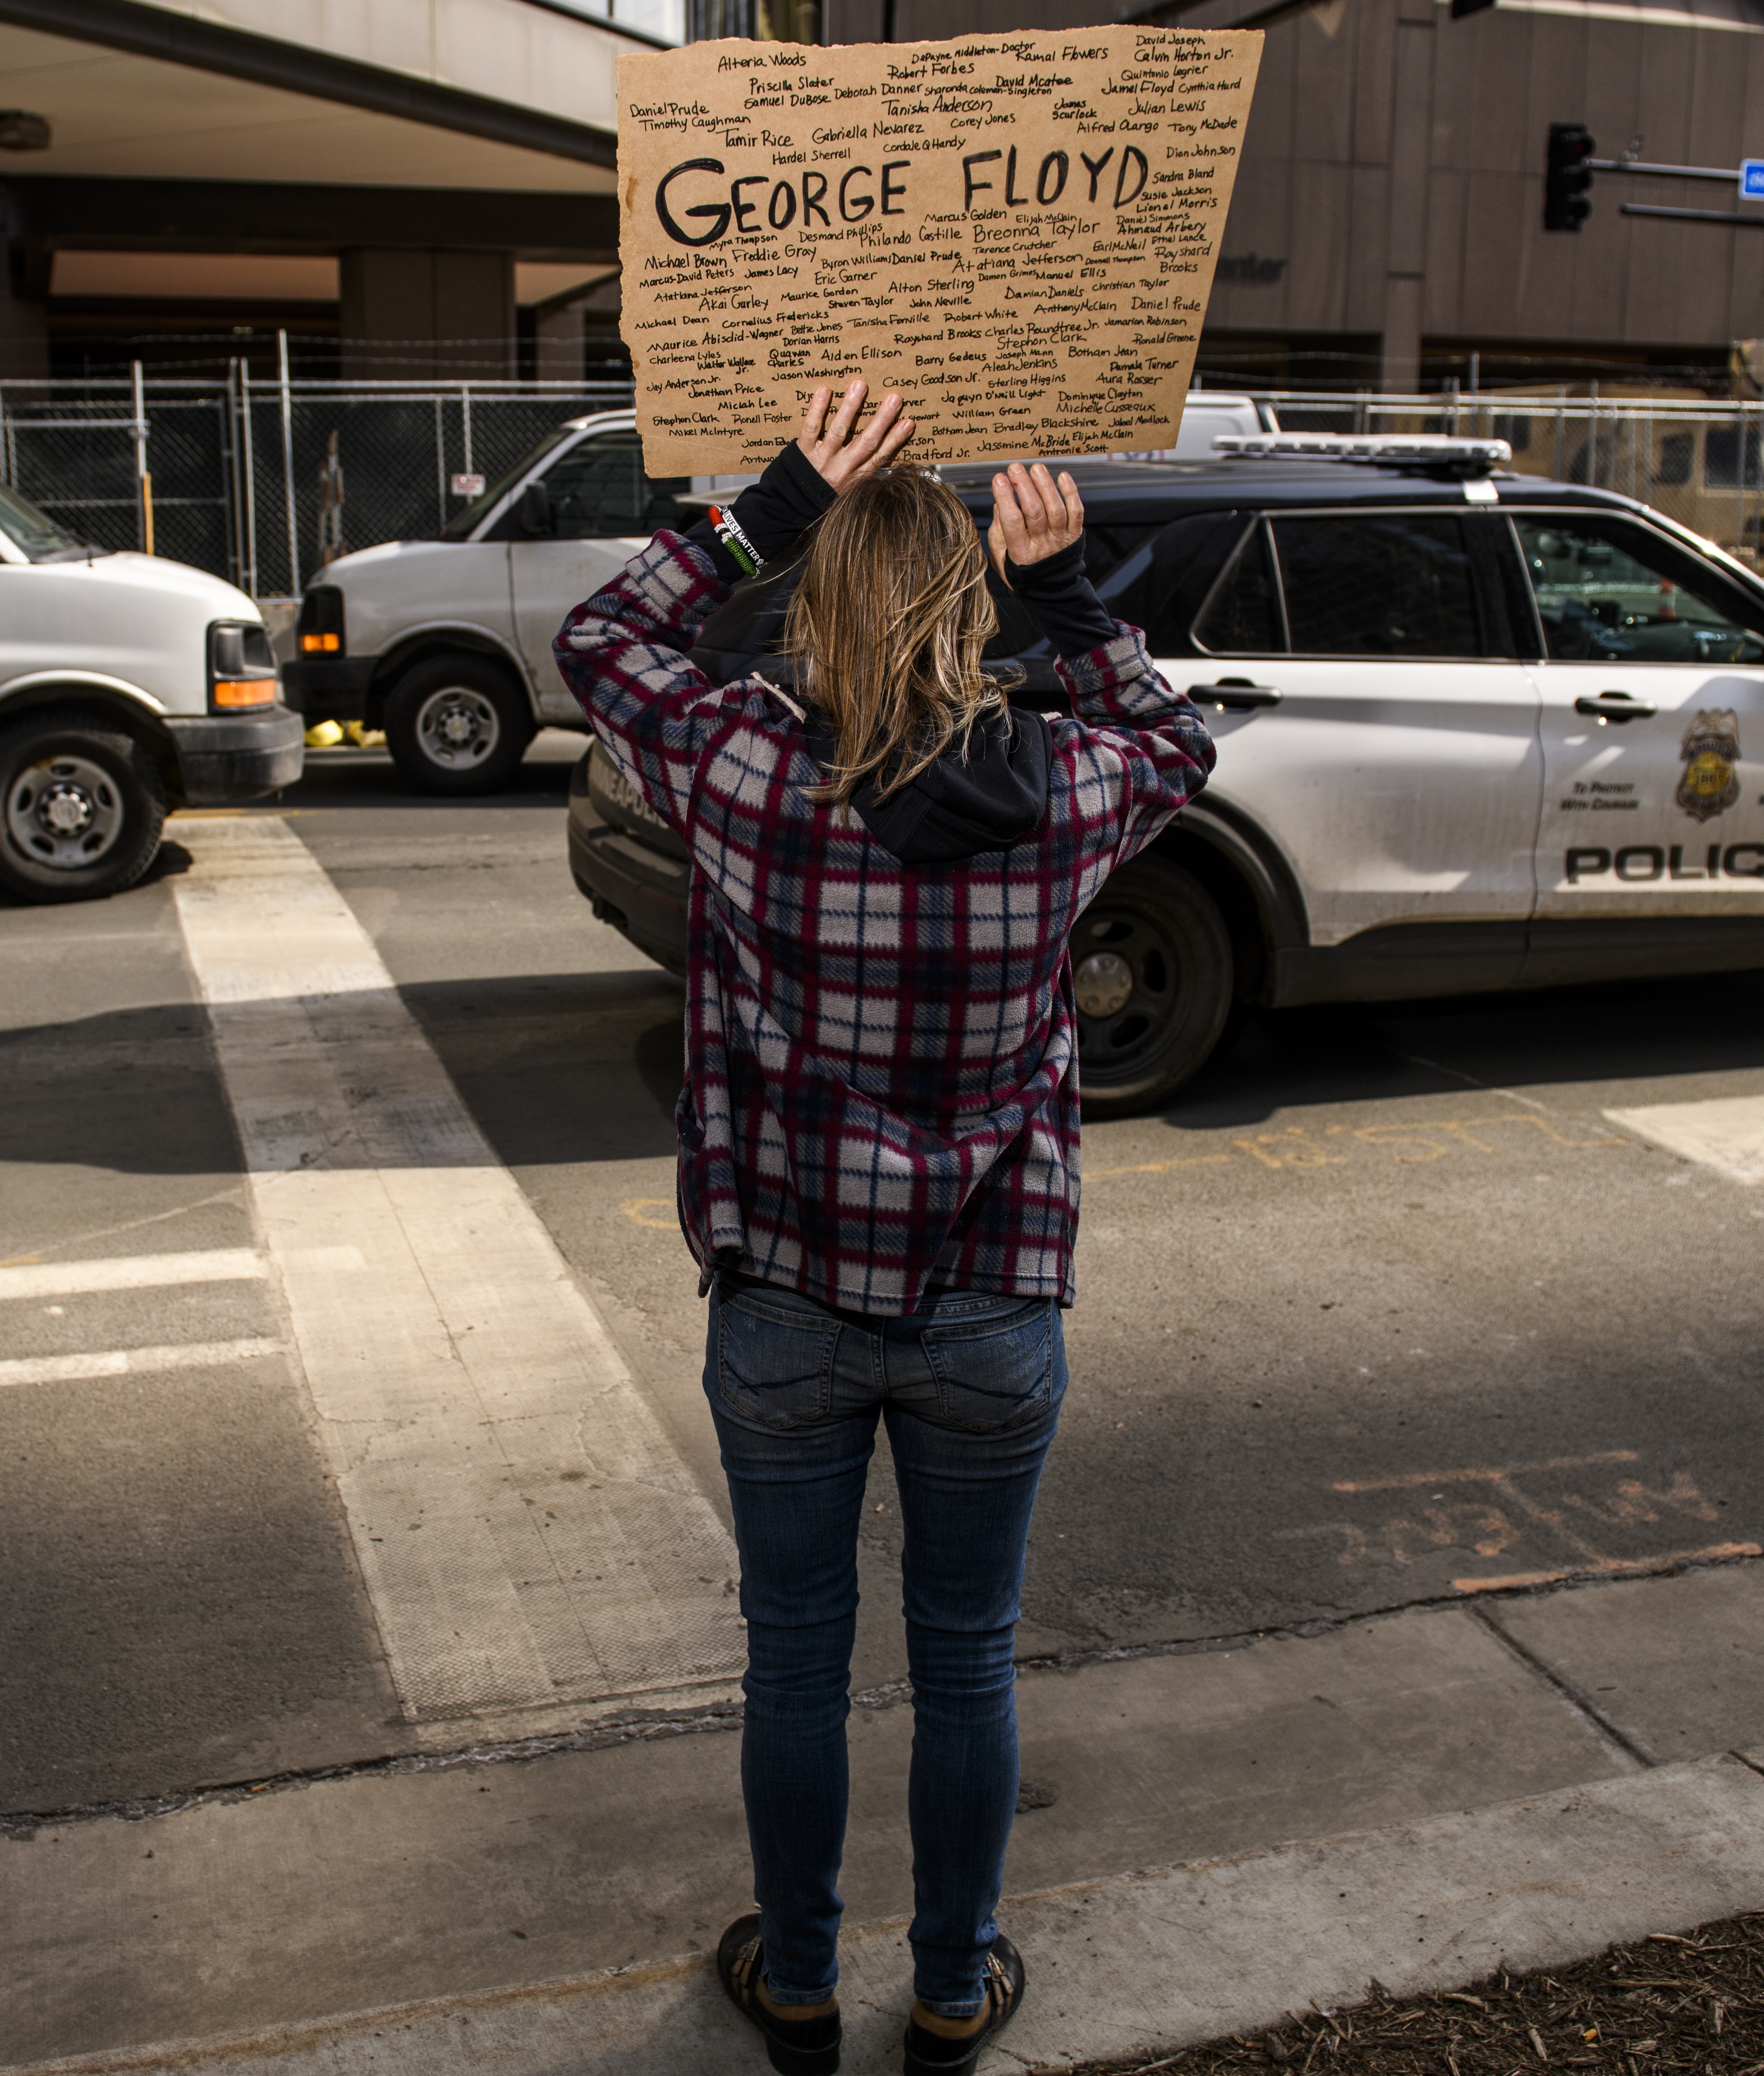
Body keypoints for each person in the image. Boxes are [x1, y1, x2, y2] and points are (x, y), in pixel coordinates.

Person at [555, 382, 1214, 2076]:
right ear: (967, 605)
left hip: (782, 1298)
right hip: (992, 1304)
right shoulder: (1066, 791)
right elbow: (1174, 743)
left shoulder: (743, 766)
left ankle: (791, 1979)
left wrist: (775, 500)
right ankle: (947, 1981)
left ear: (825, 604)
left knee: (795, 1661)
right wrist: (1065, 595)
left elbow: (603, 634)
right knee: (967, 1659)